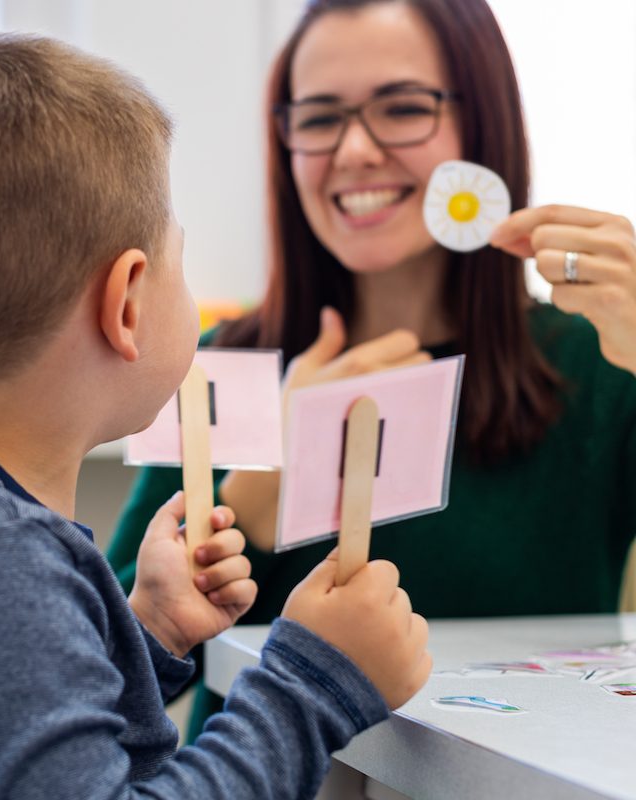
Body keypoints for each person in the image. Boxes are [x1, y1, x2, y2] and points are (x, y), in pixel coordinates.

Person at [0, 34, 431, 799]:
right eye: (180, 261)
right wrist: (315, 683)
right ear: (128, 303)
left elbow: (6, 728)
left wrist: (148, 634)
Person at [108, 0, 636, 742]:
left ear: (483, 125)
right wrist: (253, 498)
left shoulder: (599, 361)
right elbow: (101, 678)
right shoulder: (214, 366)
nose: (355, 150)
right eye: (321, 118)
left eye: (403, 108)